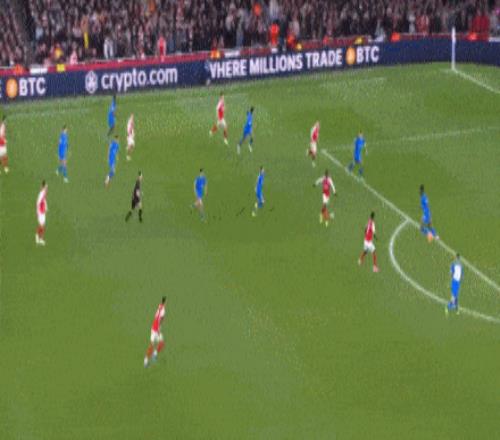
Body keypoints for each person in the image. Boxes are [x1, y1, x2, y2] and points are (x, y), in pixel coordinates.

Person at [144, 296, 167, 367]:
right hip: (156, 330)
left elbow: (158, 318)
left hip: (153, 328)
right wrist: (159, 329)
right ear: (165, 302)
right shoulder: (163, 311)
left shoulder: (159, 307)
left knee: (156, 344)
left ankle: (149, 358)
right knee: (160, 344)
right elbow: (161, 319)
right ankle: (152, 356)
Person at [35, 180, 48, 246]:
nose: (47, 189)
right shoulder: (41, 194)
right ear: (43, 187)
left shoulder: (43, 193)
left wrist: (46, 207)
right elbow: (37, 203)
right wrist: (37, 213)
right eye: (46, 187)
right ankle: (40, 239)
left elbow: (44, 201)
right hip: (40, 213)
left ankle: (38, 237)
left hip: (43, 212)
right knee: (42, 226)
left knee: (42, 226)